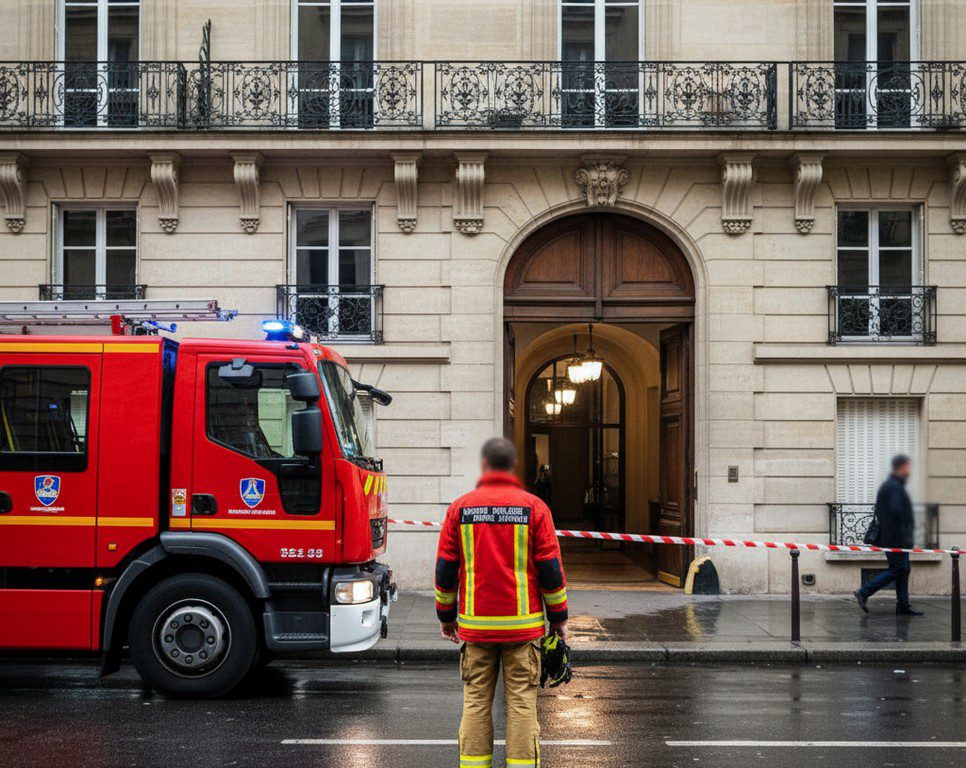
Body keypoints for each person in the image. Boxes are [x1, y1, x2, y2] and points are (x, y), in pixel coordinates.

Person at [435, 437, 569, 768]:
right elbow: (551, 572)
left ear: (484, 466)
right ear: (513, 468)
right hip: (523, 628)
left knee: (477, 701)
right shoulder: (535, 508)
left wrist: (446, 617)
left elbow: (446, 569)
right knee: (522, 702)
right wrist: (559, 620)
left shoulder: (460, 508)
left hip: (475, 627)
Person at [854, 454, 923, 616]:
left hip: (898, 538)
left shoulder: (894, 485)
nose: (910, 470)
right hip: (895, 539)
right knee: (898, 568)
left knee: (904, 569)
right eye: (908, 467)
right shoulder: (893, 487)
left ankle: (903, 605)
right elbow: (895, 511)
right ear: (902, 467)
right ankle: (863, 592)